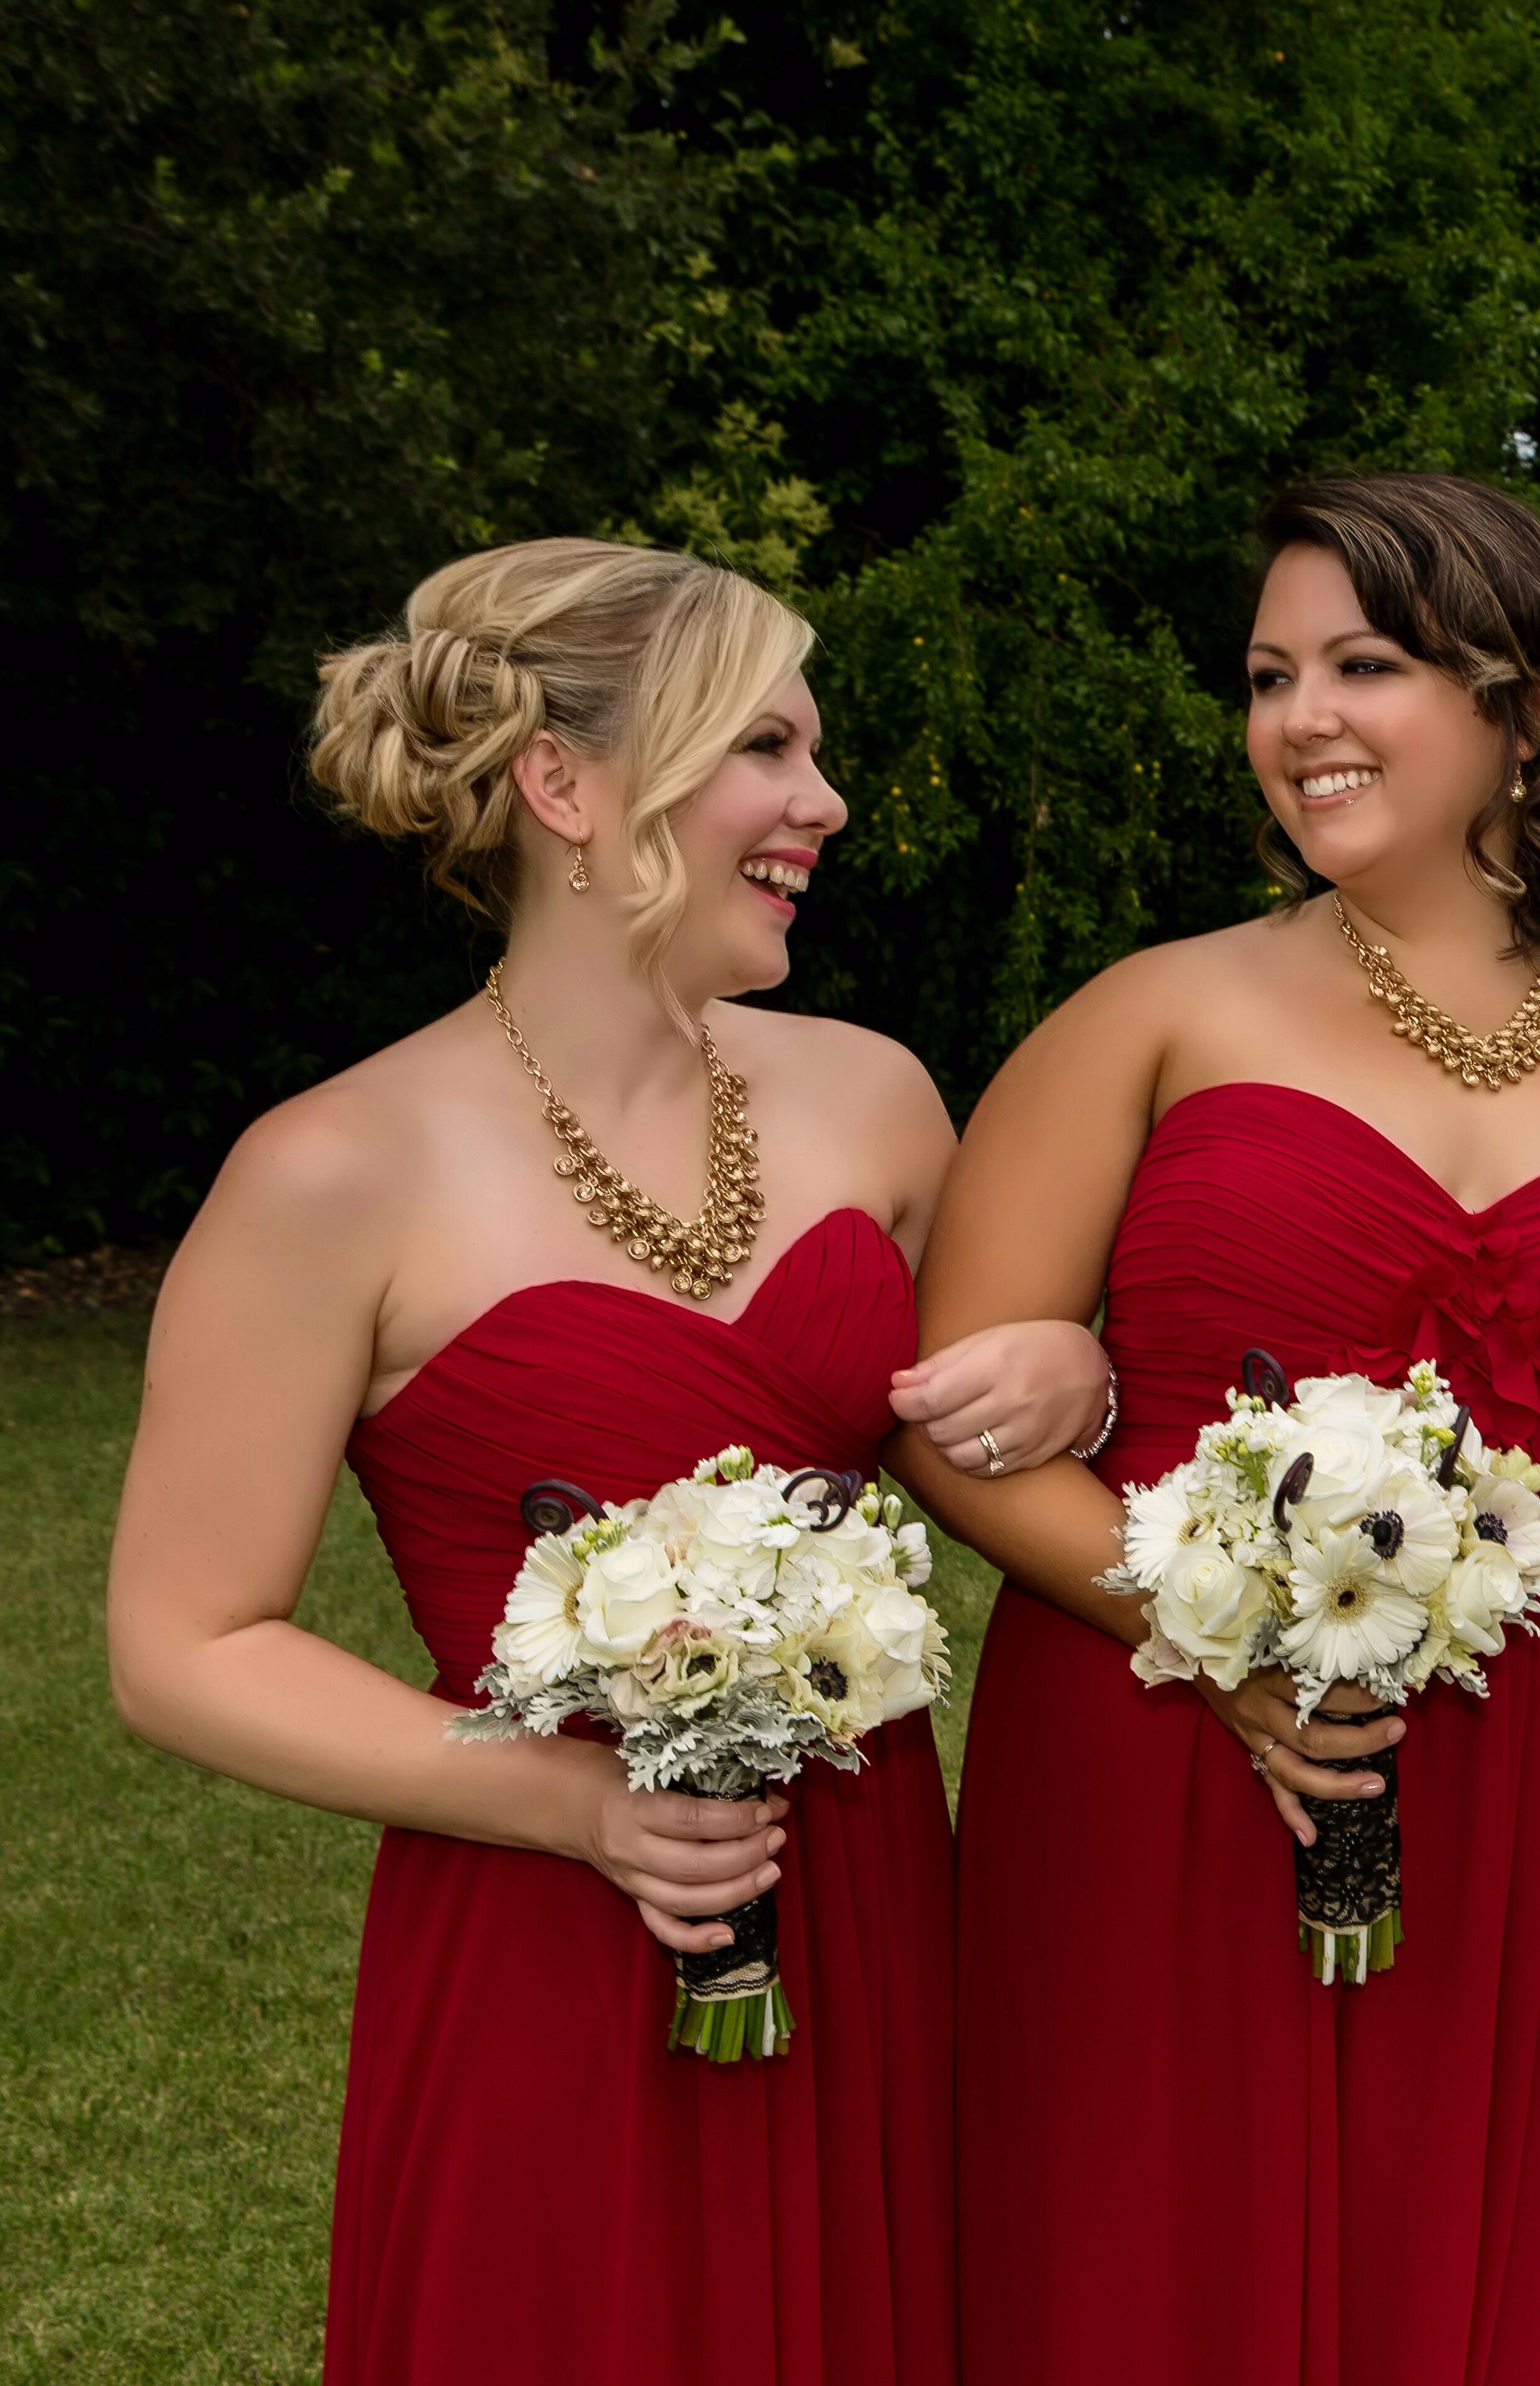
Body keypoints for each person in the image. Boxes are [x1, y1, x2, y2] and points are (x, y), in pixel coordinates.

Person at [104, 537, 1090, 2385]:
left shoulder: (875, 1093)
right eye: (768, 748)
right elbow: (183, 1644)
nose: (828, 799)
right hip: (549, 1913)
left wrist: (1072, 1371)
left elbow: (986, 1429)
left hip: (868, 1888)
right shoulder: (331, 1172)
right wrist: (581, 1812)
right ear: (567, 786)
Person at [908, 472, 1540, 2385]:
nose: (1300, 717)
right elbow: (953, 1417)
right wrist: (1211, 1642)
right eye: (1268, 676)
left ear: (1536, 698)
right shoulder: (1154, 1016)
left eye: (1366, 663)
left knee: (1492, 2278)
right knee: (1155, 2269)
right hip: (1178, 1751)